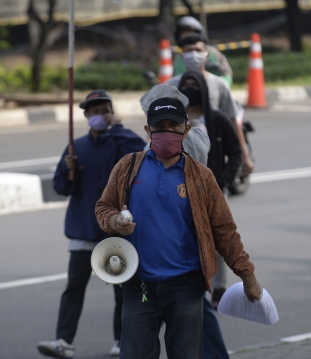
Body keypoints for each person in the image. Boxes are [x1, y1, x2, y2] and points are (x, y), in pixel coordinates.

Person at [94, 96, 262, 359]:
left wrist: (248, 277)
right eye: (160, 126)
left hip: (186, 287)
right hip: (139, 286)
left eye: (174, 125)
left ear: (186, 128)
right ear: (148, 130)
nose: (168, 131)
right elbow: (103, 207)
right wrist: (114, 221)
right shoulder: (128, 167)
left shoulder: (201, 177)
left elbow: (225, 231)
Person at [37, 90, 147, 359]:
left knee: (123, 290)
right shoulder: (76, 148)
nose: (99, 116)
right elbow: (61, 188)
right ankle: (64, 341)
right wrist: (67, 167)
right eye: (94, 111)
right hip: (83, 232)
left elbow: (140, 150)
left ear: (111, 112)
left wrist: (117, 127)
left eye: (104, 110)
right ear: (86, 115)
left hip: (115, 232)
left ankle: (122, 341)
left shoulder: (120, 144)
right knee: (74, 288)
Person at [139, 83, 230, 359]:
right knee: (194, 309)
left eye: (169, 121)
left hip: (177, 243)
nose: (163, 129)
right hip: (181, 246)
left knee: (174, 312)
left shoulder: (179, 142)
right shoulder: (199, 132)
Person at [168, 33, 254, 307]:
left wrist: (229, 176)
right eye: (188, 50)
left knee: (219, 235)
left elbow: (232, 123)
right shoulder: (170, 87)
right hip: (180, 183)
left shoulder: (218, 87)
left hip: (213, 179)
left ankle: (219, 287)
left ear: (207, 54)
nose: (194, 55)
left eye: (199, 50)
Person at [174, 16, 233, 85]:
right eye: (184, 35)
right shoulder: (178, 59)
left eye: (198, 50)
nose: (189, 38)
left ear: (206, 56)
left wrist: (219, 85)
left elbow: (226, 74)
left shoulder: (212, 53)